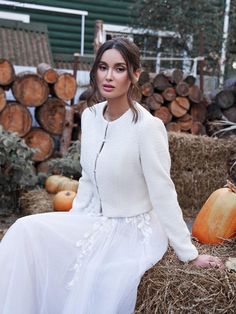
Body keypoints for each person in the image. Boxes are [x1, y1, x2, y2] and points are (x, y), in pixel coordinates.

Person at [0, 37, 223, 314]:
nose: (108, 76)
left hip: (132, 229)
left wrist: (189, 254)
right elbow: (88, 179)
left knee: (93, 281)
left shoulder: (148, 128)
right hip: (93, 218)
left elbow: (163, 192)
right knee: (23, 231)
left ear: (135, 76)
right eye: (103, 67)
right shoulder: (91, 117)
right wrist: (72, 226)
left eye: (119, 69)